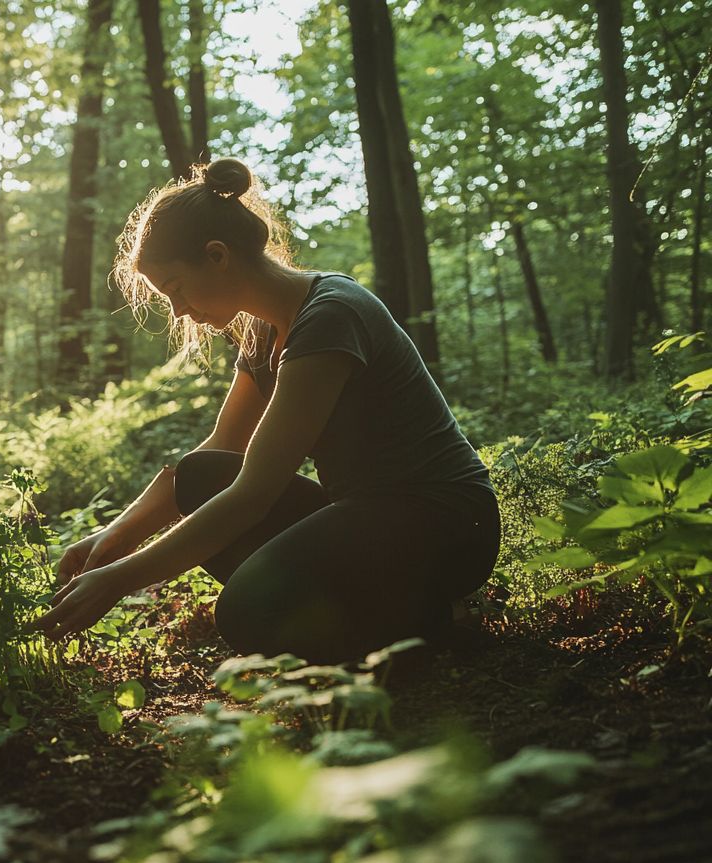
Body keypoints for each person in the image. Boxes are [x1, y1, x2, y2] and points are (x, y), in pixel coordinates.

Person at [34, 158, 500, 664]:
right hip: (366, 514)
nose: (180, 311)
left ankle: (436, 617)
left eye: (174, 289)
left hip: (445, 524)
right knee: (198, 475)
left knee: (247, 614)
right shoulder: (262, 329)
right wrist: (113, 537)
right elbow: (218, 453)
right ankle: (386, 610)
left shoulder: (330, 315)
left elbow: (255, 493)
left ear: (217, 256)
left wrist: (119, 580)